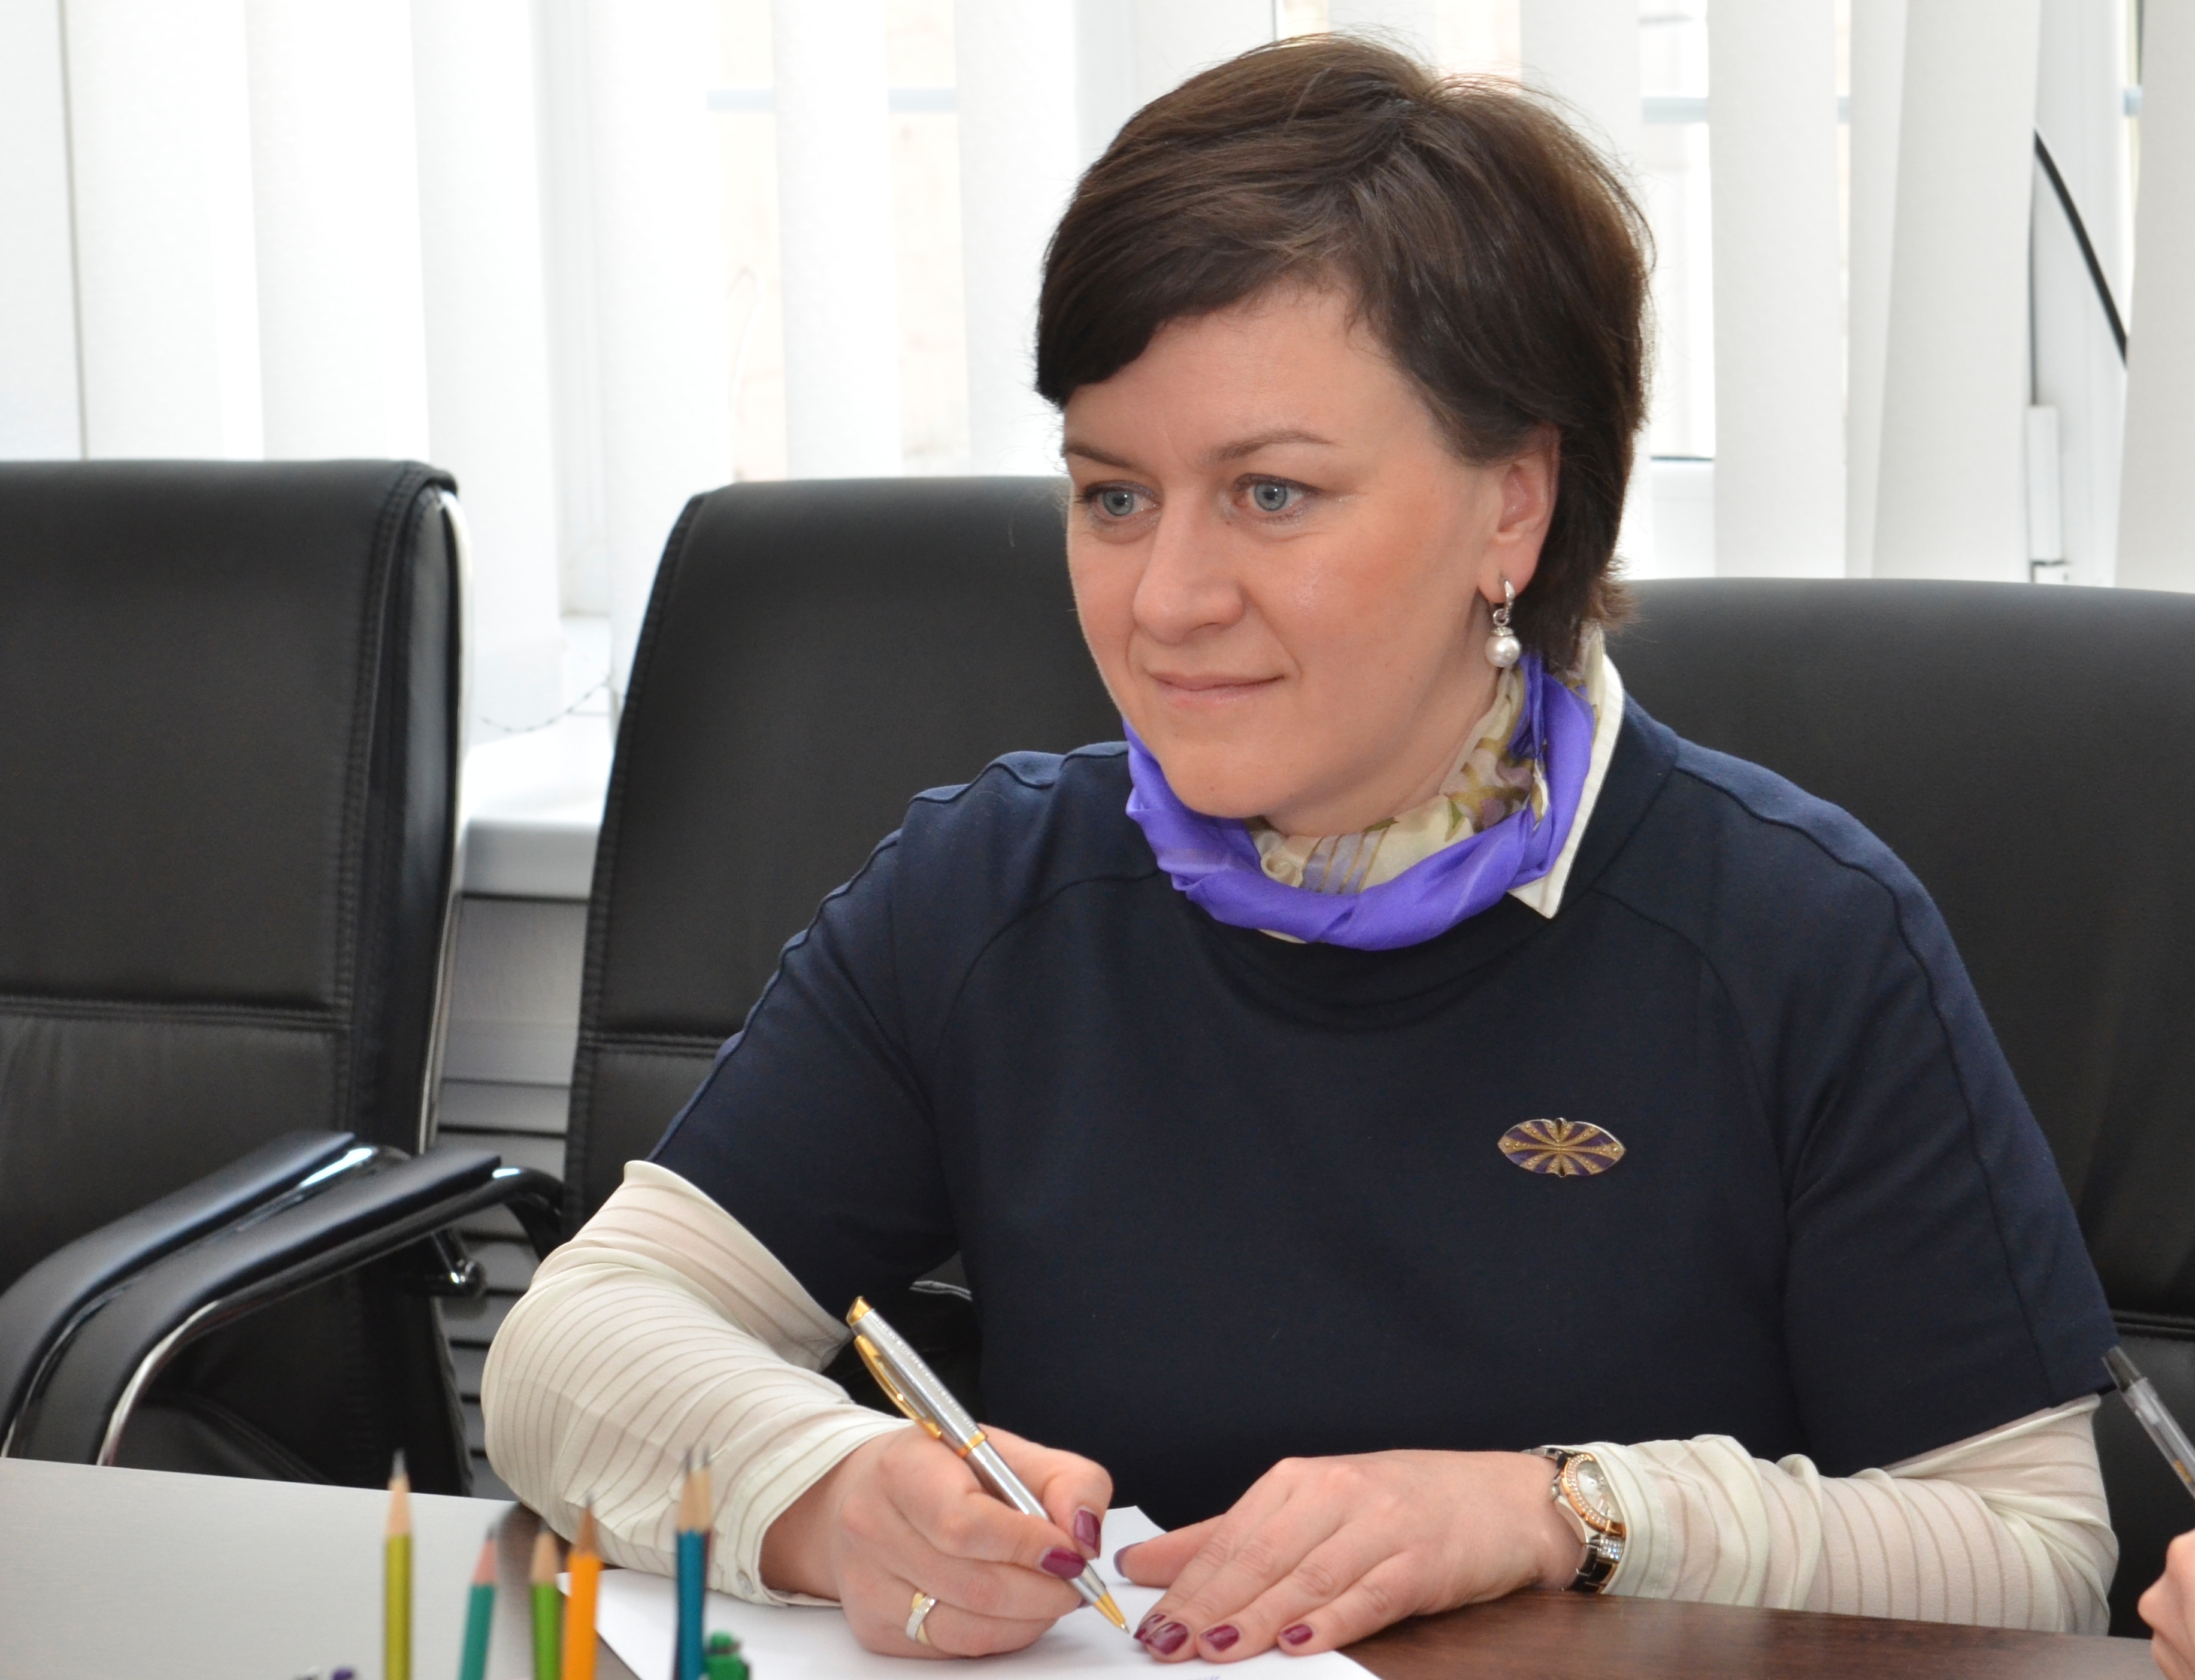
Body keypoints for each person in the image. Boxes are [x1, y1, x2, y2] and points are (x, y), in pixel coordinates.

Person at [484, 35, 2120, 1662]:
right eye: (1113, 496)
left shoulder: (1795, 934)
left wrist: (1562, 1512)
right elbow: (578, 1342)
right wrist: (829, 1492)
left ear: (1513, 508)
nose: (1165, 598)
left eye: (1270, 494)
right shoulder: (990, 891)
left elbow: (2030, 1555)